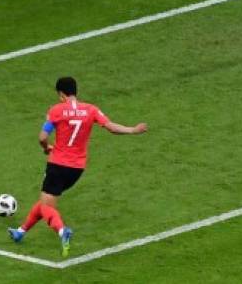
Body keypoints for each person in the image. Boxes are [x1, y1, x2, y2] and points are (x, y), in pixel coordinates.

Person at [8, 76, 148, 257]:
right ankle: (21, 232)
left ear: (60, 94)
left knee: (46, 206)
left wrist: (46, 148)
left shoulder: (56, 110)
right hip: (77, 169)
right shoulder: (91, 109)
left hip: (58, 164)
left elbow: (42, 137)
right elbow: (111, 127)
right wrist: (132, 129)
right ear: (76, 92)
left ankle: (62, 230)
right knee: (46, 201)